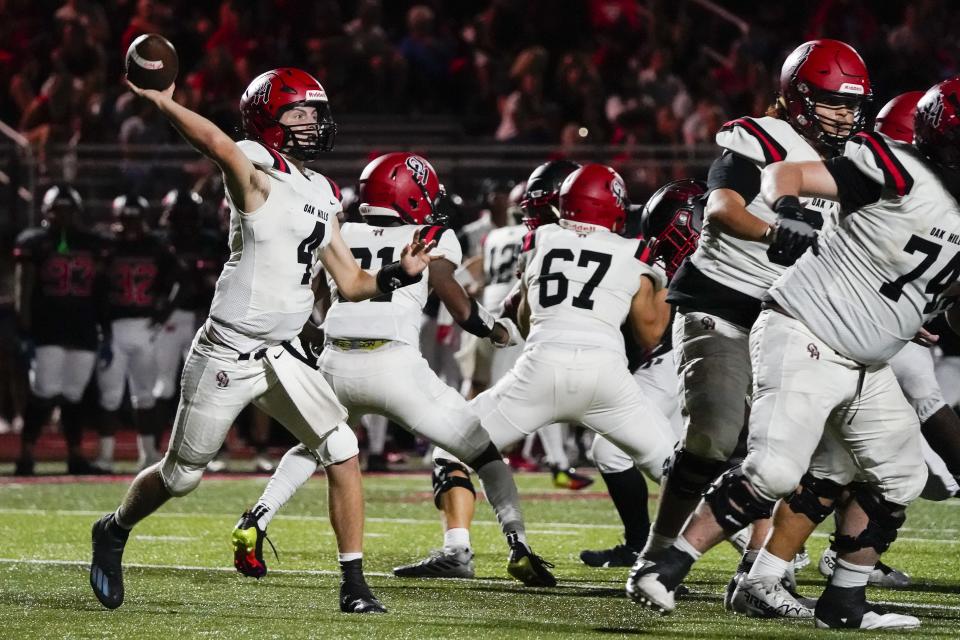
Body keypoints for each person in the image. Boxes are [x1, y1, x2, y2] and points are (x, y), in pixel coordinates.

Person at [89, 67, 437, 615]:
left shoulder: (322, 190)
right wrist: (163, 102)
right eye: (300, 113)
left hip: (281, 350)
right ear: (268, 121)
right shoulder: (255, 166)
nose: (314, 123)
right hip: (228, 348)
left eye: (316, 112)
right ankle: (113, 528)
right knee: (181, 477)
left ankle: (354, 584)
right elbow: (214, 142)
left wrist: (398, 272)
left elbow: (350, 282)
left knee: (342, 450)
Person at [629, 76, 960, 630]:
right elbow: (784, 174)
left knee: (899, 475)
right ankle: (664, 566)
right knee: (775, 466)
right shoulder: (899, 166)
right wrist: (787, 212)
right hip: (806, 330)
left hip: (866, 360)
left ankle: (844, 604)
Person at [234, 151, 555, 587]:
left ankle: (258, 517)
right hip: (395, 364)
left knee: (314, 447)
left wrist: (313, 338)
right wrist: (493, 330)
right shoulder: (430, 234)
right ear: (407, 194)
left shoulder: (339, 228)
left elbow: (312, 297)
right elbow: (452, 295)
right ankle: (517, 543)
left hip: (336, 359)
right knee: (482, 453)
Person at [637, 39, 871, 616]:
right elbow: (719, 207)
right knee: (715, 436)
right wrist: (772, 232)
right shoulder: (759, 136)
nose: (845, 116)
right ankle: (658, 551)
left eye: (853, 105)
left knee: (805, 448)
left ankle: (761, 574)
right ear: (796, 98)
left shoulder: (857, 160)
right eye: (831, 103)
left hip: (795, 313)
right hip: (725, 300)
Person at [467, 163, 676, 503]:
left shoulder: (538, 239)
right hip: (606, 378)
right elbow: (650, 335)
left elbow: (525, 321)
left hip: (540, 369)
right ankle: (753, 546)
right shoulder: (635, 251)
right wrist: (666, 278)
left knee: (451, 448)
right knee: (676, 470)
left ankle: (458, 545)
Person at [580, 179, 702, 568]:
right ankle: (642, 544)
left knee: (622, 450)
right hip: (680, 362)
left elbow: (649, 331)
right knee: (680, 462)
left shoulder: (696, 259)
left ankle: (762, 550)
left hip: (685, 361)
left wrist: (654, 273)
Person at [12, 183, 111, 475]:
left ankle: (75, 454)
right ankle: (26, 453)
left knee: (73, 396)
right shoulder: (35, 242)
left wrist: (104, 327)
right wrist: (24, 326)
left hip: (82, 328)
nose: (63, 216)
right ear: (47, 211)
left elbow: (101, 289)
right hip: (47, 328)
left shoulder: (91, 243)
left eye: (68, 210)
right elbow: (24, 286)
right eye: (59, 210)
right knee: (43, 391)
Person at [94, 193, 180, 471]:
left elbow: (180, 280)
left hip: (145, 327)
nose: (130, 224)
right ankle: (106, 456)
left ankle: (149, 454)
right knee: (109, 396)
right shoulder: (105, 245)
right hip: (114, 329)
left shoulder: (156, 246)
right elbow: (92, 287)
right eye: (126, 218)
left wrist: (163, 311)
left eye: (134, 218)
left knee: (146, 395)